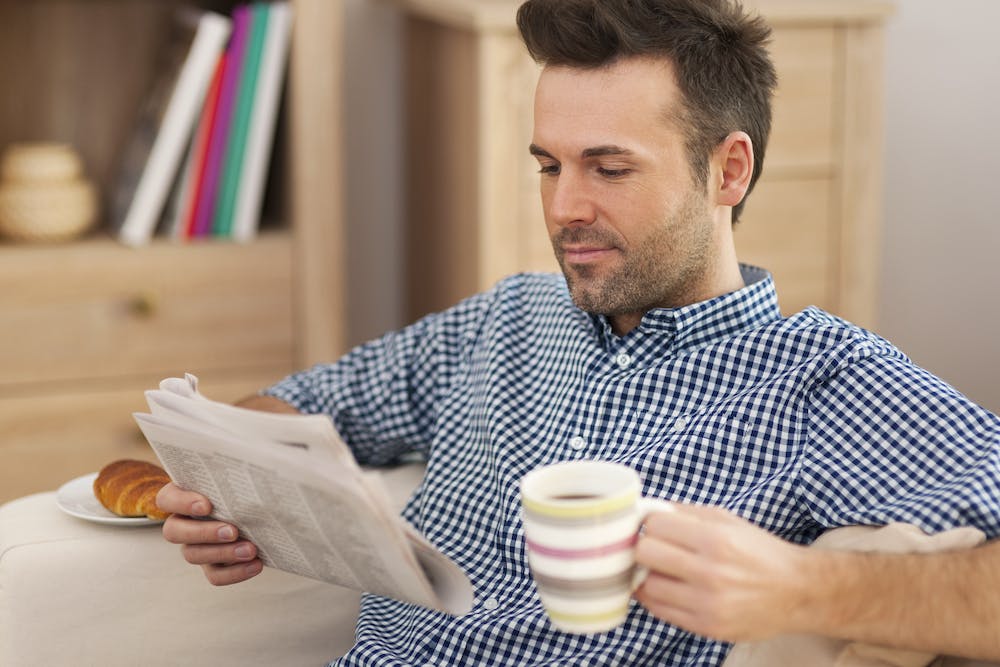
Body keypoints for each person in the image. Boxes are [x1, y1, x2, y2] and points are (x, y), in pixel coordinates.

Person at [157, 0, 1000, 664]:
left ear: (728, 170)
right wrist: (224, 490)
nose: (565, 208)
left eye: (610, 167)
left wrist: (805, 587)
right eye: (549, 165)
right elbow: (295, 408)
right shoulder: (508, 318)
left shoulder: (824, 378)